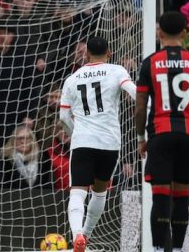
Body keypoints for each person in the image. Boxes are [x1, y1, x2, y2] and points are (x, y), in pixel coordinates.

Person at [135, 11, 189, 252]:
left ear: (159, 32)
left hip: (161, 133)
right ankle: (178, 249)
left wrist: (141, 137)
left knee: (160, 197)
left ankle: (158, 249)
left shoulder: (150, 62)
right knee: (181, 196)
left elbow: (139, 108)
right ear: (184, 34)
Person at [60, 36, 136, 252]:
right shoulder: (117, 70)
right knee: (100, 191)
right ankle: (87, 234)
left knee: (77, 191)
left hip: (83, 142)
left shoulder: (72, 79)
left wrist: (77, 133)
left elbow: (63, 117)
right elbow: (133, 92)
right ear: (109, 52)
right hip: (109, 143)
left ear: (87, 54)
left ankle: (76, 237)